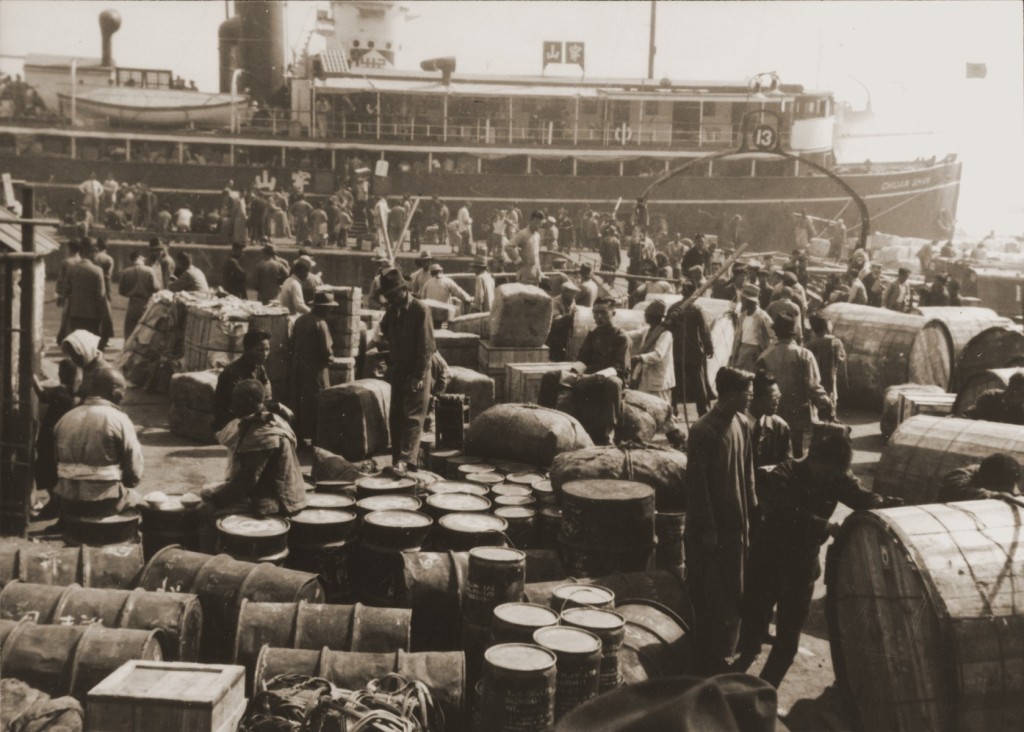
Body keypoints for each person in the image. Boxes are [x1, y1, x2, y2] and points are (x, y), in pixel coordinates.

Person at [735, 432, 901, 688]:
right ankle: (744, 660)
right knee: (754, 619)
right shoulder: (783, 474)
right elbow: (785, 513)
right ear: (814, 459)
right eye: (828, 472)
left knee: (788, 640)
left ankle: (764, 691)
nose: (831, 479)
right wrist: (825, 526)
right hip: (768, 561)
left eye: (837, 474)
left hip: (802, 567)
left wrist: (882, 504)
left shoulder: (837, 476)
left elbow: (861, 496)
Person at [684, 366, 757, 675]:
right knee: (710, 587)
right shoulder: (703, 430)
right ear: (729, 394)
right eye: (746, 391)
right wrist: (709, 528)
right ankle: (707, 653)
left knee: (735, 585)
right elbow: (697, 487)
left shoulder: (742, 422)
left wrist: (753, 509)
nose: (751, 396)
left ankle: (727, 648)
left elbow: (748, 470)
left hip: (738, 522)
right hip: (711, 528)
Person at [200, 380, 307, 551]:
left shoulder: (262, 433)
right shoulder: (273, 419)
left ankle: (209, 561)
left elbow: (247, 480)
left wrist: (217, 500)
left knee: (206, 512)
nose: (232, 405)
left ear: (248, 402)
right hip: (281, 491)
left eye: (236, 401)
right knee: (210, 494)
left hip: (278, 501)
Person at [53, 367, 143, 520]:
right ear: (113, 389)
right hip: (104, 502)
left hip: (67, 502)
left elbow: (55, 461)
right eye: (123, 389)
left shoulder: (65, 418)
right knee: (141, 502)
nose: (124, 395)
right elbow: (134, 473)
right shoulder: (119, 419)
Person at [540, 298, 631, 446]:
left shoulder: (621, 337)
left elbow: (619, 368)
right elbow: (583, 359)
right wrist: (575, 372)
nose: (598, 317)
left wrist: (594, 377)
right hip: (587, 375)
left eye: (603, 313)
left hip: (608, 377)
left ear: (613, 313)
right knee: (551, 377)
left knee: (614, 384)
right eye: (595, 313)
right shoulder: (593, 334)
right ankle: (545, 418)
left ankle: (610, 431)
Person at [378, 268, 436, 475]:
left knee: (413, 416)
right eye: (388, 296)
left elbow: (426, 346)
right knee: (396, 416)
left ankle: (405, 461)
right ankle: (397, 460)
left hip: (417, 370)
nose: (391, 299)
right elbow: (384, 329)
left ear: (403, 290)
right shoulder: (391, 312)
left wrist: (419, 376)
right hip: (399, 369)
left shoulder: (420, 310)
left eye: (394, 294)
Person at [756, 312, 833, 458]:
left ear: (777, 333)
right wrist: (826, 404)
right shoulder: (804, 354)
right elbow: (814, 386)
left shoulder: (765, 355)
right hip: (797, 412)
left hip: (772, 411)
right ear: (793, 334)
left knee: (774, 451)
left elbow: (757, 384)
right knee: (796, 450)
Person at [212, 329, 292, 432]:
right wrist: (276, 407)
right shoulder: (232, 372)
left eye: (267, 349)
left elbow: (267, 397)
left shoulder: (259, 368)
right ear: (247, 349)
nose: (265, 353)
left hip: (250, 415)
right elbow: (243, 406)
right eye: (260, 350)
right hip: (230, 422)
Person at [31, 359, 78, 520]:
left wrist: (31, 378)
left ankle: (54, 503)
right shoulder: (70, 391)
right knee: (52, 468)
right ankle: (54, 502)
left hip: (50, 435)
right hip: (59, 435)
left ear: (63, 374)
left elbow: (43, 395)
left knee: (46, 467)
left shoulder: (61, 391)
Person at [289, 292, 336, 441]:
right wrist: (331, 360)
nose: (330, 311)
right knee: (318, 403)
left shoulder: (300, 320)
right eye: (329, 308)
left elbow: (292, 344)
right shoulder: (320, 324)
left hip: (299, 370)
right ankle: (317, 438)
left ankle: (300, 437)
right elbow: (326, 352)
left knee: (300, 403)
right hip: (316, 372)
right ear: (322, 308)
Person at [665, 278, 715, 417]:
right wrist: (709, 347)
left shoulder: (673, 308)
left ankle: (672, 411)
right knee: (699, 384)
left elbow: (666, 328)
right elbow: (705, 331)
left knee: (675, 384)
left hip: (677, 352)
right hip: (693, 353)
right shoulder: (697, 309)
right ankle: (703, 412)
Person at [629, 300, 675, 402]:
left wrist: (640, 357)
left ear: (655, 316)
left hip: (659, 379)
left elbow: (658, 355)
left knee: (661, 408)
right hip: (646, 379)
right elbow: (630, 335)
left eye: (647, 314)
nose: (645, 316)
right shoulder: (647, 330)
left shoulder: (665, 334)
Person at [63, 239, 108, 337]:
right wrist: (104, 315)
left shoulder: (71, 269)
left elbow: (67, 292)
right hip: (93, 314)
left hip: (75, 313)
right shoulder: (97, 271)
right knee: (91, 343)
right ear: (90, 253)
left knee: (77, 343)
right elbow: (100, 295)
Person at [749, 369, 791, 471]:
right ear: (755, 398)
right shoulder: (736, 425)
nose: (777, 402)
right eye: (774, 398)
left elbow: (788, 466)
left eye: (779, 396)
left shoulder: (781, 427)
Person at [937, 454, 1021, 502]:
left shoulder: (1009, 476)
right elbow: (957, 489)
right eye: (999, 486)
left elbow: (1014, 494)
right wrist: (994, 495)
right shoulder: (960, 474)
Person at [805, 315, 846, 411]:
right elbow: (841, 358)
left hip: (814, 382)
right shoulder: (835, 342)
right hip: (830, 380)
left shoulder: (808, 344)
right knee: (830, 404)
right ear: (827, 326)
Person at [730, 285, 773, 372]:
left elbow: (774, 335)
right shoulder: (742, 316)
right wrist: (734, 354)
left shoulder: (762, 316)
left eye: (744, 300)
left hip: (755, 353)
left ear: (751, 302)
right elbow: (738, 337)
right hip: (742, 350)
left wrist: (765, 354)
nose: (742, 302)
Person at [118, 250, 158, 338]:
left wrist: (130, 293)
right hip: (145, 303)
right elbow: (156, 288)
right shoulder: (149, 270)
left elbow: (121, 291)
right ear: (140, 257)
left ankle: (128, 350)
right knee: (145, 330)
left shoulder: (125, 272)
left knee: (129, 330)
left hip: (132, 303)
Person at [61, 329, 108, 398]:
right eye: (70, 355)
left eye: (75, 355)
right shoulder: (85, 367)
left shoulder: (103, 373)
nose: (73, 360)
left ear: (86, 351)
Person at [547, 282, 579, 361]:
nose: (574, 295)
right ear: (564, 292)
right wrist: (571, 316)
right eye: (572, 293)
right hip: (555, 337)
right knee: (556, 358)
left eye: (575, 293)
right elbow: (556, 322)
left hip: (566, 336)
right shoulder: (555, 302)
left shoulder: (572, 301)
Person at [510, 210, 544, 285]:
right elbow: (508, 247)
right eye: (535, 223)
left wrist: (539, 272)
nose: (537, 225)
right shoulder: (523, 234)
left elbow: (536, 255)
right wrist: (518, 261)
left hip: (536, 276)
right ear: (530, 221)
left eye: (540, 223)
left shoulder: (537, 236)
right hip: (525, 275)